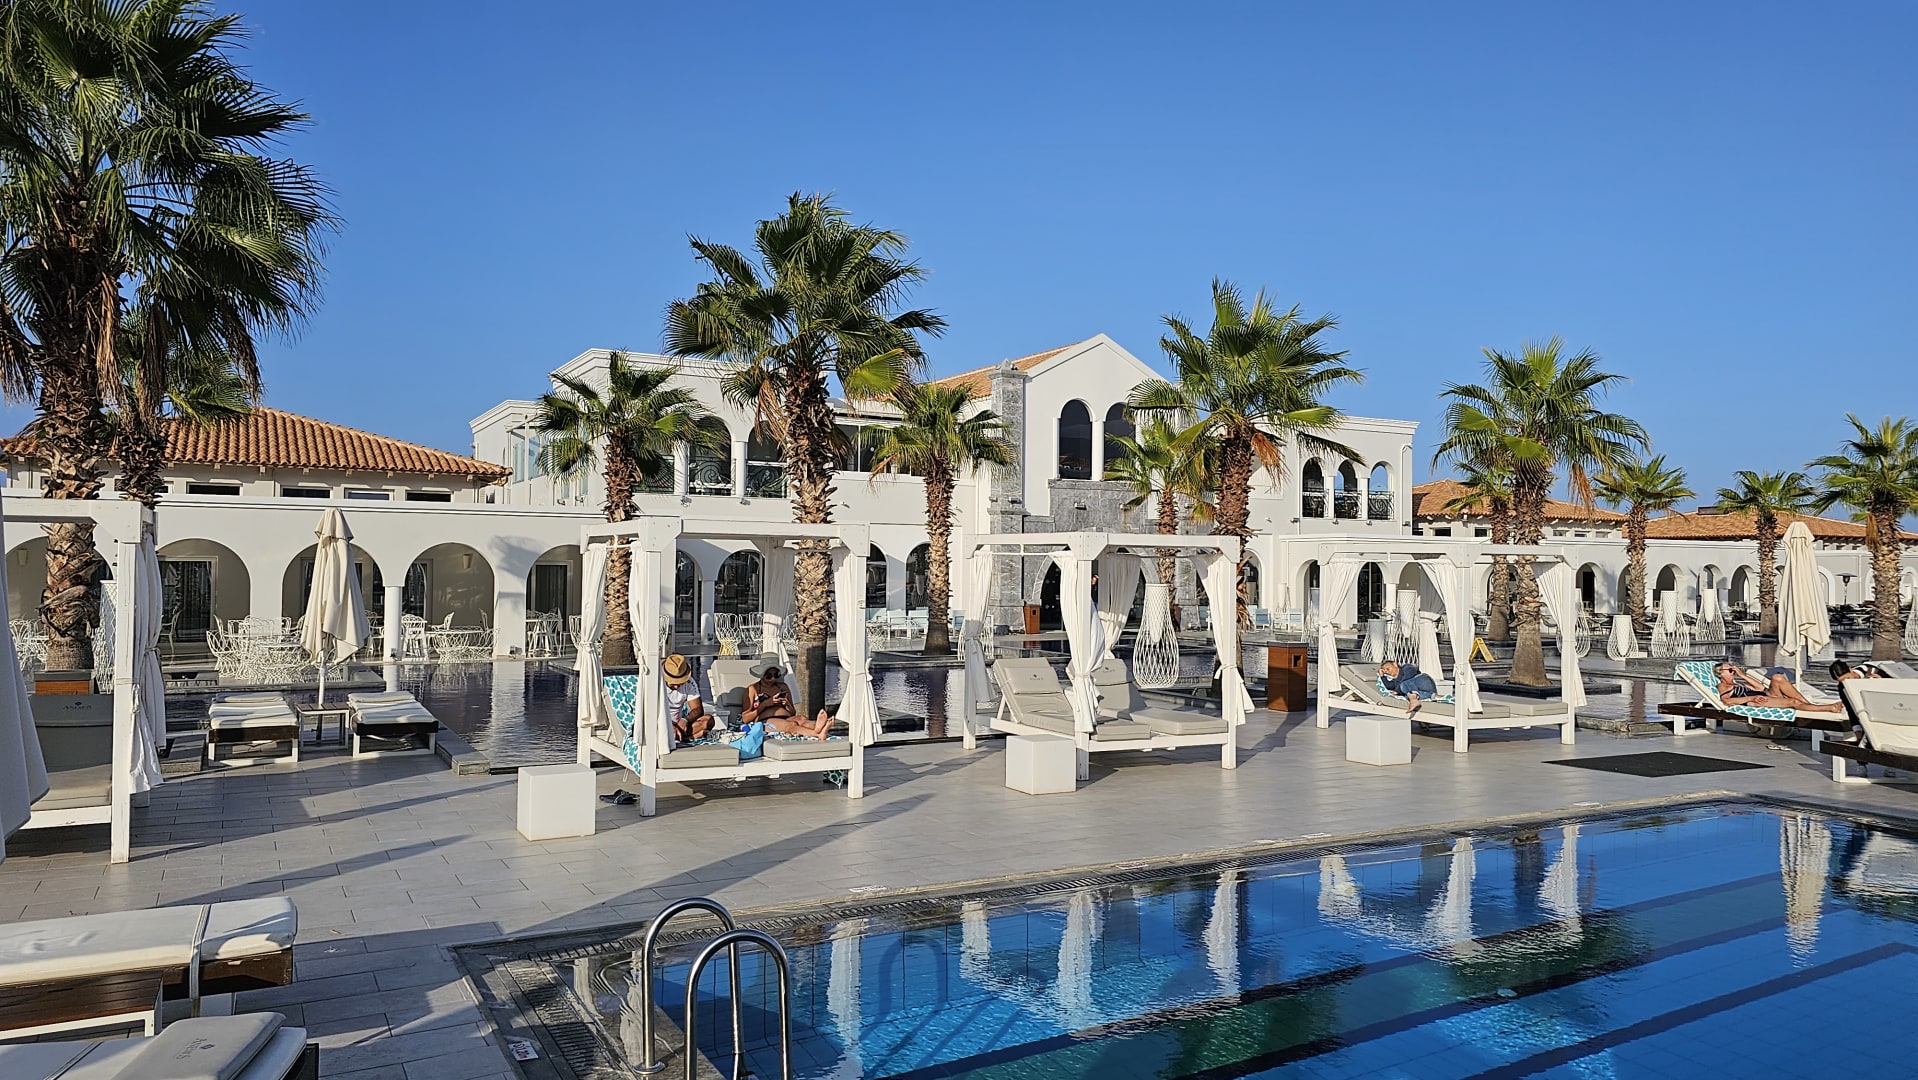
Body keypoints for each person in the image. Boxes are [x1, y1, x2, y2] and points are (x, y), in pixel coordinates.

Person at [741, 662, 833, 739]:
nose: (773, 679)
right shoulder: (753, 689)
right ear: (761, 675)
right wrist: (765, 704)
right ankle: (817, 733)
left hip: (786, 716)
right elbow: (745, 718)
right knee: (791, 725)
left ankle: (818, 727)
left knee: (801, 719)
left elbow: (793, 712)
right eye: (769, 676)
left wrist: (787, 704)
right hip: (766, 721)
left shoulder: (782, 687)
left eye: (776, 675)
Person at [1714, 662, 1843, 713]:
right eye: (1730, 670)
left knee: (1777, 677)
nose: (1733, 671)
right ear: (1721, 674)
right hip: (1758, 701)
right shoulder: (1723, 686)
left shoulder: (1737, 684)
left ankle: (1808, 705)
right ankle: (1829, 708)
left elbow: (1760, 687)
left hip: (1765, 694)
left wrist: (1742, 675)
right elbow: (1726, 701)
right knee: (1793, 702)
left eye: (1733, 669)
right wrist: (1751, 698)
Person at [661, 653, 712, 742]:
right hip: (660, 723)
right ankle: (685, 736)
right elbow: (650, 712)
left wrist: (685, 720)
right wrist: (668, 726)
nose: (676, 686)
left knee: (708, 720)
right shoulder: (657, 682)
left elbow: (698, 709)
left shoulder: (690, 682)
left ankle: (677, 736)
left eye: (680, 683)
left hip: (679, 724)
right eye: (673, 683)